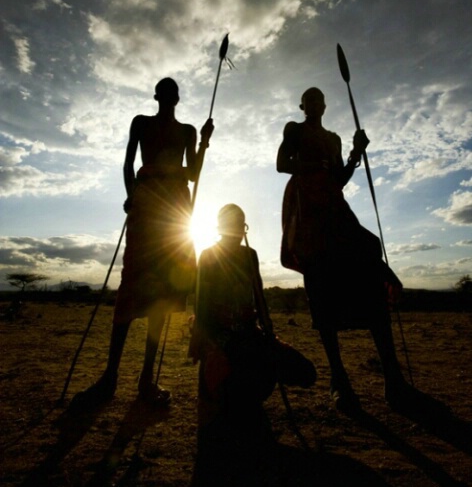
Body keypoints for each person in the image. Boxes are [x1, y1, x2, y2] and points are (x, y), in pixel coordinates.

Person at [76, 77, 213, 407]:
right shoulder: (140, 123)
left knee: (164, 292)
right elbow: (127, 163)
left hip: (175, 210)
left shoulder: (189, 132)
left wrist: (205, 143)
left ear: (178, 99)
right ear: (157, 97)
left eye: (173, 94)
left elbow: (193, 174)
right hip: (148, 203)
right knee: (131, 283)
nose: (169, 99)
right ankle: (110, 376)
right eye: (164, 94)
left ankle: (145, 380)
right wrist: (131, 195)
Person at [276, 86, 411, 412]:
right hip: (308, 213)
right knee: (320, 287)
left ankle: (392, 375)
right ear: (302, 105)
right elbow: (282, 164)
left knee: (369, 249)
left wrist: (354, 153)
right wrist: (313, 166)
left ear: (325, 105)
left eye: (319, 100)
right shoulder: (294, 130)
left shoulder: (334, 138)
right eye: (309, 100)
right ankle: (339, 378)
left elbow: (340, 179)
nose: (315, 104)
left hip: (336, 208)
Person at [189, 204, 316, 454]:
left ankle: (246, 398)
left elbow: (258, 295)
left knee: (304, 372)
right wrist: (208, 341)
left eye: (240, 224)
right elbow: (200, 303)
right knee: (232, 380)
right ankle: (234, 401)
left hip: (249, 332)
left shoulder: (250, 256)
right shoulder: (207, 255)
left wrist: (267, 329)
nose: (237, 230)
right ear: (222, 228)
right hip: (219, 336)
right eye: (232, 224)